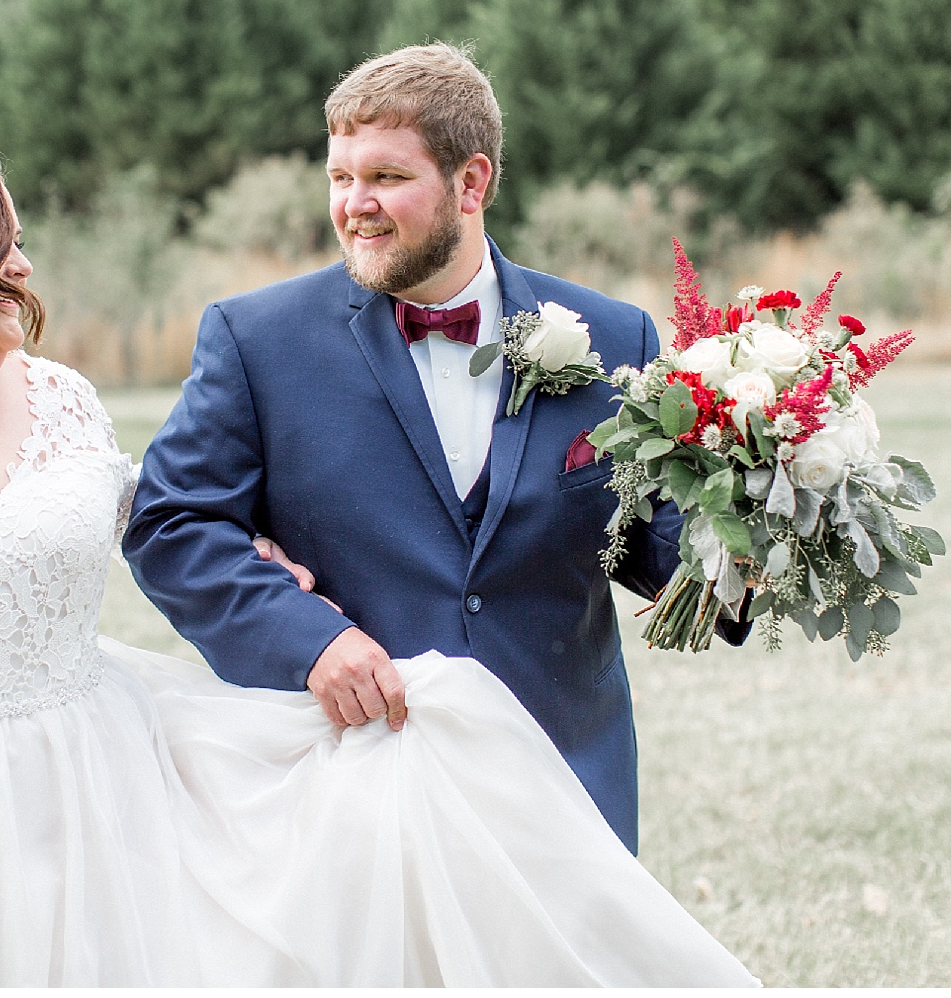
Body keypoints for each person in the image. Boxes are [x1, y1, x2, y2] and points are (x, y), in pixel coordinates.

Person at [0, 140, 756, 985]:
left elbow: (152, 519)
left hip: (85, 808)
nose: (23, 263)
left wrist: (264, 562)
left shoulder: (60, 403)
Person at [124, 42, 747, 856]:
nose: (355, 205)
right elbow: (171, 524)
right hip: (357, 783)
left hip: (562, 783)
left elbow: (646, 534)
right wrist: (309, 640)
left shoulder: (611, 335)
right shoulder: (257, 341)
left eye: (385, 177)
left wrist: (756, 534)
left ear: (472, 181)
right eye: (340, 177)